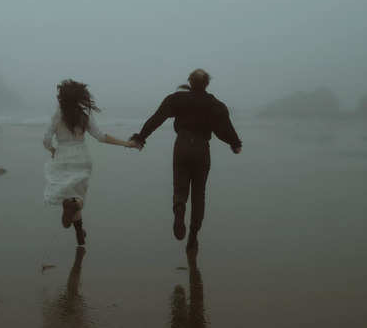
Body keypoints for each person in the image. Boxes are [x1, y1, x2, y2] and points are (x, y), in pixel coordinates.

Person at [130, 69, 241, 251]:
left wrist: (141, 137)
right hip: (202, 148)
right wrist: (235, 143)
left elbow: (157, 118)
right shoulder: (215, 105)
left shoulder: (176, 99)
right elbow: (224, 129)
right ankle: (193, 236)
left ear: (190, 81)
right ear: (207, 83)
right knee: (199, 194)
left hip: (181, 145)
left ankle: (179, 210)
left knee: (180, 188)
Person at [43, 79, 137, 245]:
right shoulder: (84, 114)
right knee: (78, 198)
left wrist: (52, 150)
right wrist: (126, 143)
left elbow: (46, 139)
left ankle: (77, 224)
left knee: (68, 195)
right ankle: (80, 234)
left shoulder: (58, 114)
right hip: (81, 157)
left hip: (62, 157)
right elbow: (101, 136)